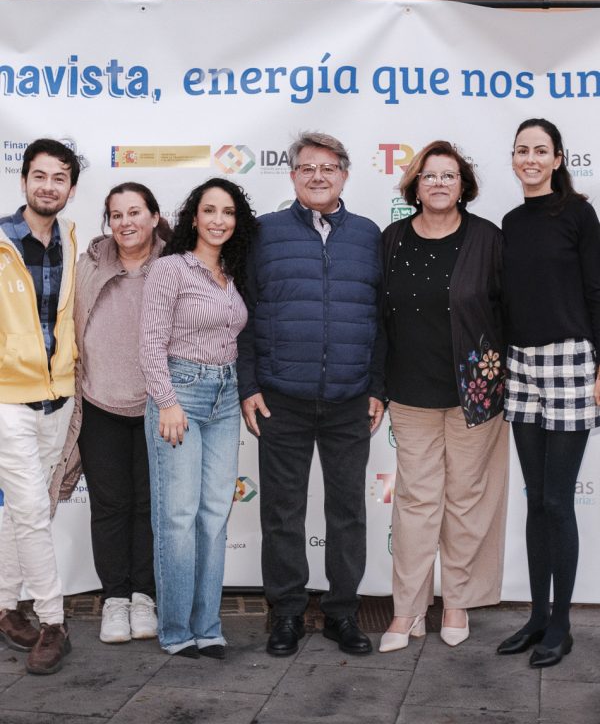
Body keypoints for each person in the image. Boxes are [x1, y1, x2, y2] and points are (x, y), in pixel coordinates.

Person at [238, 131, 385, 658]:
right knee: (281, 512)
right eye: (307, 168)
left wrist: (378, 387)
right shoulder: (263, 235)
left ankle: (343, 614)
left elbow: (382, 321)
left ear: (345, 173)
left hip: (350, 400)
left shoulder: (370, 236)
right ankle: (286, 615)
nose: (318, 175)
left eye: (328, 167)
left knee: (347, 511)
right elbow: (245, 315)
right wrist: (248, 384)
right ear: (293, 175)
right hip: (282, 399)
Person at [379, 140, 509, 653]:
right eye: (429, 175)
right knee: (415, 502)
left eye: (448, 175)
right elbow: (377, 317)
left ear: (463, 185)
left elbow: (510, 313)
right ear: (414, 184)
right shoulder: (391, 239)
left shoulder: (488, 239)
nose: (438, 183)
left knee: (467, 501)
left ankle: (456, 601)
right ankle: (407, 610)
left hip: (476, 393)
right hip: (410, 394)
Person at [497, 118, 600, 668]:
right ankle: (537, 616)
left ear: (559, 158)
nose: (530, 158)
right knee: (536, 500)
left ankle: (562, 623)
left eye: (541, 150)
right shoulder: (510, 222)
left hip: (571, 361)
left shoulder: (580, 216)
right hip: (520, 364)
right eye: (522, 150)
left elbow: (596, 290)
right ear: (513, 159)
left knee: (559, 500)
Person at [140, 177, 256, 659]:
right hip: (180, 396)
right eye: (209, 210)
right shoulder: (171, 269)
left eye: (228, 212)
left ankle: (208, 625)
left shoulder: (232, 273)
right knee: (178, 517)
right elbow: (150, 342)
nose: (218, 220)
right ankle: (174, 630)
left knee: (213, 516)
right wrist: (167, 402)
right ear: (193, 217)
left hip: (226, 398)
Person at [61, 182, 170, 644]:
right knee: (109, 507)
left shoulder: (174, 266)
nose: (126, 222)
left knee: (149, 506)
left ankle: (144, 596)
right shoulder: (89, 265)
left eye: (135, 212)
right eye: (117, 214)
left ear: (154, 216)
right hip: (100, 404)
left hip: (156, 409)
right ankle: (115, 600)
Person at [0, 138, 82, 674]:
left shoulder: (73, 240)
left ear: (71, 188)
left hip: (60, 396)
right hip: (8, 396)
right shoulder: (2, 242)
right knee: (30, 508)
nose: (48, 186)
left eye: (59, 178)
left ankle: (5, 606)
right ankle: (53, 621)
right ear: (24, 179)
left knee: (26, 509)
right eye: (39, 175)